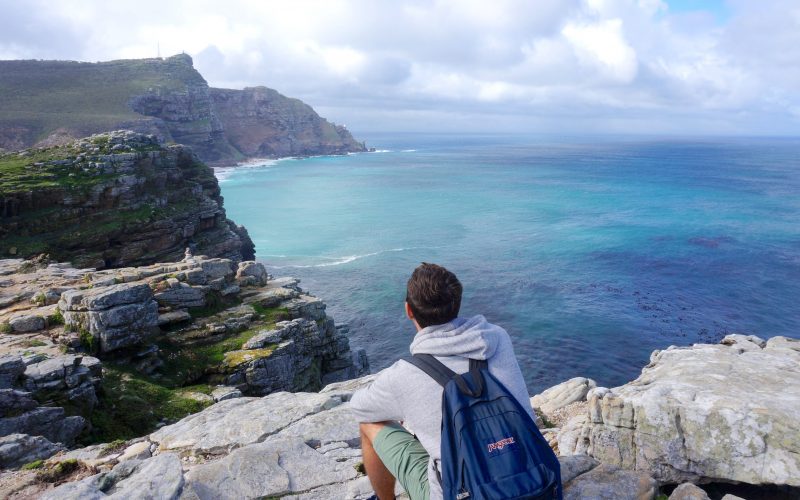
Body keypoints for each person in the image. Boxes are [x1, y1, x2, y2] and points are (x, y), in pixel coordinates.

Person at [350, 263, 537, 500]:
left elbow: (359, 407)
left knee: (368, 424)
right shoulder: (497, 338)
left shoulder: (403, 374)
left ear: (408, 310)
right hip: (529, 477)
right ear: (457, 303)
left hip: (459, 493)